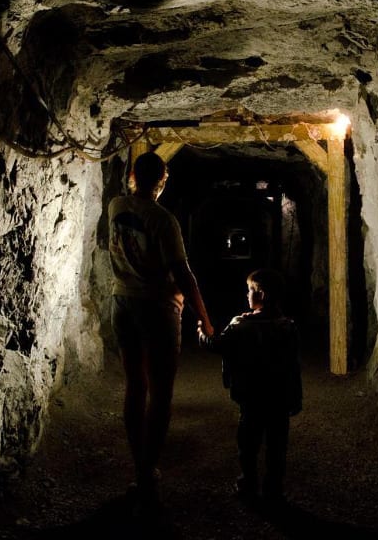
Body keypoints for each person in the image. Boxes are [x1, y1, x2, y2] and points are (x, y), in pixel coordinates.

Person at [108, 151, 215, 507]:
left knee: (135, 385)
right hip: (156, 308)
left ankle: (138, 460)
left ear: (133, 177)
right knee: (161, 391)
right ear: (163, 180)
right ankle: (146, 469)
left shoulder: (116, 207)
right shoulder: (163, 220)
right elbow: (182, 273)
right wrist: (204, 317)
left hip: (122, 303)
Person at [197, 268, 303, 501]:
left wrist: (202, 334)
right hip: (279, 399)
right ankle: (273, 489)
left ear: (261, 294)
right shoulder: (288, 327)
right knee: (277, 446)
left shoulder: (240, 325)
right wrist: (296, 397)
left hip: (251, 397)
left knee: (248, 443)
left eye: (250, 290)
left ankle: (248, 483)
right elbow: (294, 367)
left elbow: (217, 345)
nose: (246, 295)